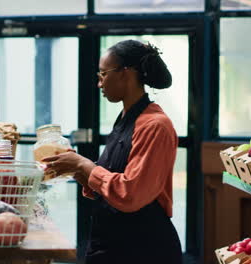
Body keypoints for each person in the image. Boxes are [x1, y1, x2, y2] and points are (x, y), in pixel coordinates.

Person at [42, 39, 182, 264]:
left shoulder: (155, 125)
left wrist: (83, 165)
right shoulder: (126, 118)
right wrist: (72, 167)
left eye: (103, 75)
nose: (99, 84)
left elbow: (131, 193)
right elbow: (111, 176)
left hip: (144, 249)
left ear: (125, 74)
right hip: (115, 244)